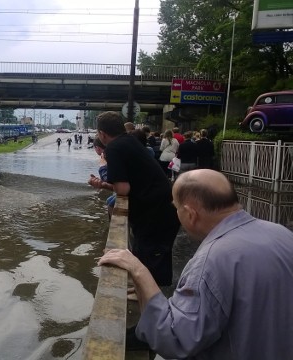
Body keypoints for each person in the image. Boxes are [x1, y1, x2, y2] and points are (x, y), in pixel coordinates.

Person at [99, 169, 293, 359]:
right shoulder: (281, 234)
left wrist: (138, 270)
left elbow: (174, 340)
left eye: (176, 208)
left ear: (190, 214)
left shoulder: (211, 261)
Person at [94, 111, 180, 288]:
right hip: (163, 209)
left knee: (151, 256)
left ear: (102, 134)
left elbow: (123, 189)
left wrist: (103, 169)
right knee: (150, 255)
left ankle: (147, 297)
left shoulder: (114, 148)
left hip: (154, 213)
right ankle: (145, 292)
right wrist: (104, 185)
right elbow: (130, 183)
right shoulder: (129, 141)